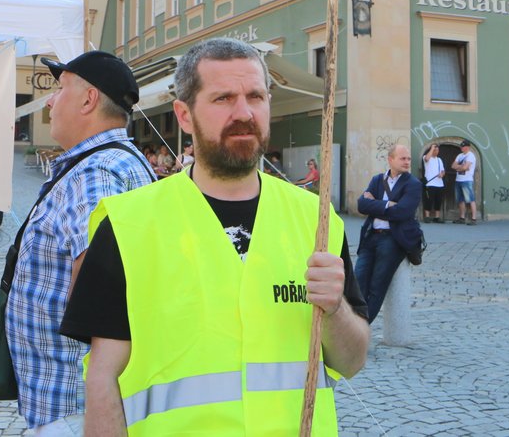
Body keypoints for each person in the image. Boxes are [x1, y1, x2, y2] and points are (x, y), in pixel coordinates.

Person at [61, 38, 369, 434]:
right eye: (223, 99)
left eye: (255, 96)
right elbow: (103, 379)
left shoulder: (316, 218)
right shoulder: (127, 224)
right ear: (184, 115)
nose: (244, 113)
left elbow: (352, 361)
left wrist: (335, 309)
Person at [5, 50, 155, 434]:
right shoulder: (119, 162)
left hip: (73, 406)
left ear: (88, 100)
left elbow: (99, 297)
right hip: (77, 400)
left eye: (60, 89)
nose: (51, 102)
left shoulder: (95, 174)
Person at [356, 144, 423, 322]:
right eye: (403, 158)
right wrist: (387, 205)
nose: (407, 162)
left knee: (377, 286)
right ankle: (353, 324)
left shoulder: (413, 184)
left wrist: (375, 205)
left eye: (409, 159)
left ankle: (361, 328)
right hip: (370, 237)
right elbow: (361, 205)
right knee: (358, 282)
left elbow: (403, 212)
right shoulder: (377, 180)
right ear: (390, 159)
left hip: (393, 240)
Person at [452, 140, 478, 224]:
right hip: (458, 179)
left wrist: (460, 167)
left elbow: (465, 167)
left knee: (470, 199)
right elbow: (453, 166)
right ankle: (462, 217)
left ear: (467, 147)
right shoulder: (459, 155)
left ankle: (474, 218)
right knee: (460, 200)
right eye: (461, 146)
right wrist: (462, 166)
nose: (462, 148)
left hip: (467, 180)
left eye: (463, 146)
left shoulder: (471, 156)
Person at [422, 143, 445, 223]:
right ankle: (427, 217)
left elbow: (443, 170)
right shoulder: (426, 157)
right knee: (428, 200)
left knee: (438, 201)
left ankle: (437, 217)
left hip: (439, 183)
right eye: (435, 150)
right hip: (430, 183)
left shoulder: (439, 160)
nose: (436, 151)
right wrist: (432, 148)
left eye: (437, 150)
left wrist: (441, 174)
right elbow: (427, 159)